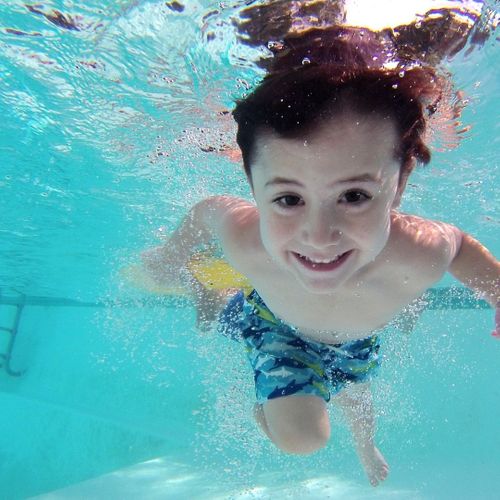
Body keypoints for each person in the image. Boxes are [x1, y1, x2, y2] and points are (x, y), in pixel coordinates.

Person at [140, 34, 499, 487]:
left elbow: (461, 246)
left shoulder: (419, 248)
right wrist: (172, 256)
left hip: (356, 338)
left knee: (356, 395)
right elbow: (206, 211)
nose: (319, 236)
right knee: (302, 438)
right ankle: (216, 299)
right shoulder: (244, 238)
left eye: (354, 196)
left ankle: (366, 447)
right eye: (289, 199)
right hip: (275, 326)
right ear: (254, 189)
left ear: (400, 186)